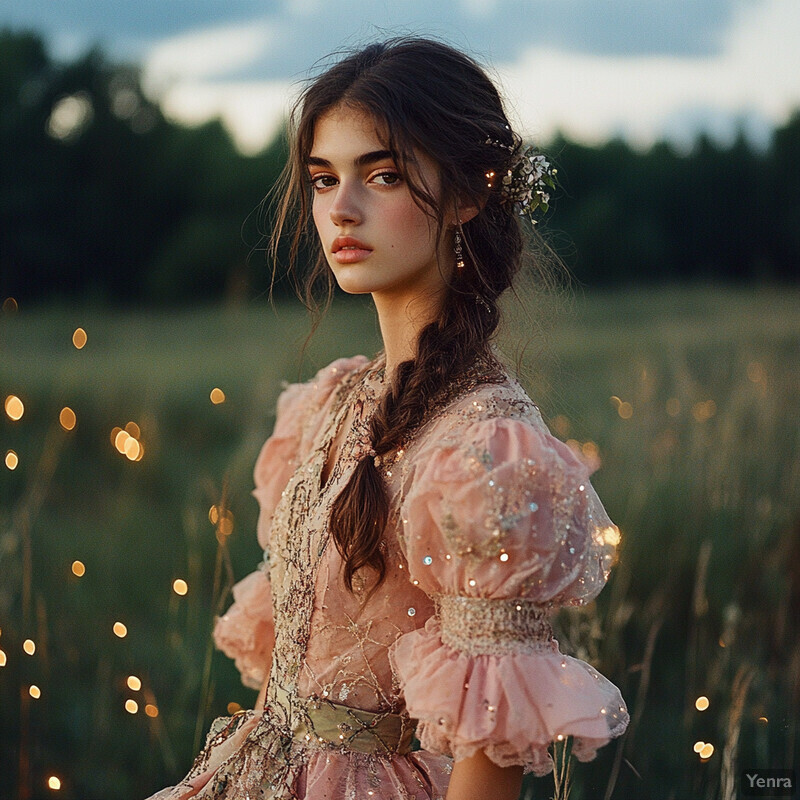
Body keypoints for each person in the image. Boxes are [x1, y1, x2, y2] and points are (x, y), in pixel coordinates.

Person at [147, 37, 628, 800]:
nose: (341, 208)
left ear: (469, 193)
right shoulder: (331, 401)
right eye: (324, 178)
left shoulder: (488, 454)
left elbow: (489, 751)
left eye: (383, 175)